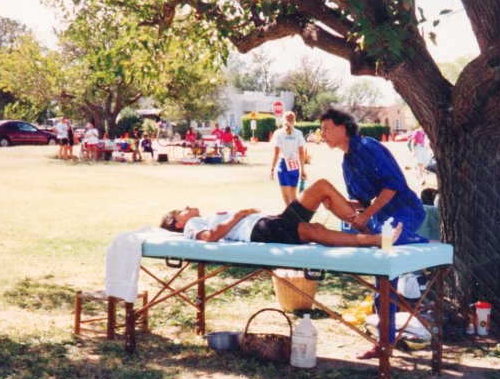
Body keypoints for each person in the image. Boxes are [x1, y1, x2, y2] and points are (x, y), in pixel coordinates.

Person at [320, 108, 428, 360]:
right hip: (382, 225)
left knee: (389, 246)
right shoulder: (346, 161)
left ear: (342, 128)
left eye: (326, 128)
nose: (322, 134)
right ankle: (383, 343)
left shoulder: (369, 146)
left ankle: (423, 245)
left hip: (406, 212)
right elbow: (360, 201)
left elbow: (392, 187)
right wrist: (336, 205)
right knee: (383, 284)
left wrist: (366, 215)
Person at [160, 179, 403, 249]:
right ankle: (376, 239)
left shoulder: (198, 218)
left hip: (270, 223)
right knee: (315, 231)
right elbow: (209, 238)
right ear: (179, 223)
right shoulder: (192, 226)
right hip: (261, 231)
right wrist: (240, 215)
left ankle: (367, 229)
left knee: (321, 188)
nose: (187, 206)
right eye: (182, 210)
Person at [270, 111, 308, 205]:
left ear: (283, 119)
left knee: (286, 198)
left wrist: (272, 169)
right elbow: (302, 153)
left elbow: (276, 153)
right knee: (293, 197)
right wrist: (303, 170)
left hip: (283, 165)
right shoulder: (298, 133)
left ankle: (290, 218)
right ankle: (294, 217)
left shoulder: (278, 133)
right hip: (295, 166)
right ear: (294, 120)